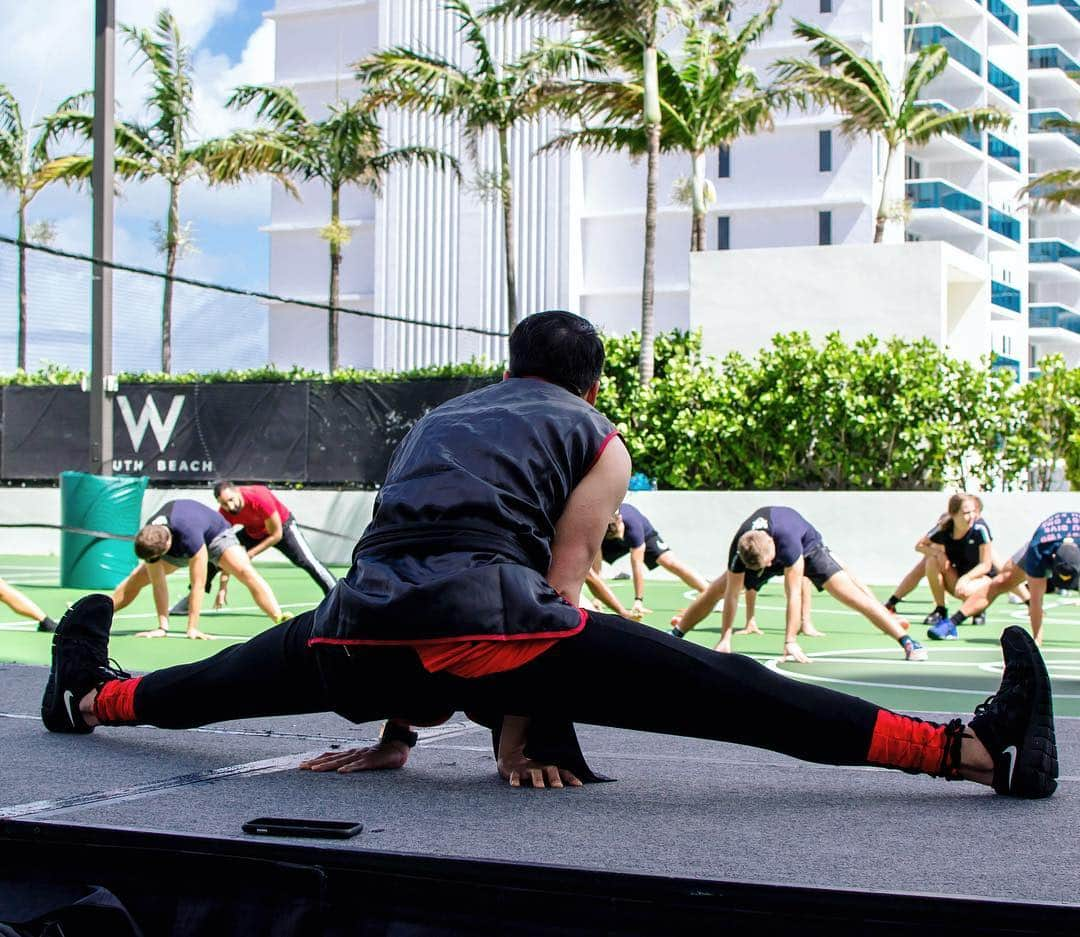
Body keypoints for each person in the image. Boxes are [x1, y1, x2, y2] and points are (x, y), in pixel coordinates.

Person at [43, 311, 1057, 799]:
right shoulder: (595, 435)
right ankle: (972, 749)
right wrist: (522, 745)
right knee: (736, 691)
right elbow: (555, 601)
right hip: (489, 633)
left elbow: (412, 566)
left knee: (216, 682)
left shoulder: (444, 416)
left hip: (357, 633)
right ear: (592, 381)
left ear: (509, 369)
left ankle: (87, 696)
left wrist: (396, 736)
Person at [672, 507, 925, 664]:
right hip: (760, 551)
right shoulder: (742, 547)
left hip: (809, 546)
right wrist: (725, 637)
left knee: (851, 595)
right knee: (716, 589)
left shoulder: (789, 545)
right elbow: (731, 596)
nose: (765, 572)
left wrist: (790, 642)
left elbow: (793, 594)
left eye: (768, 565)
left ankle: (907, 642)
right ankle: (677, 635)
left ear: (773, 552)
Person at [111, 499, 288, 640]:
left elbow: (198, 584)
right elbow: (159, 584)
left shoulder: (189, 534)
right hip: (176, 543)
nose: (155, 561)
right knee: (137, 578)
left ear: (167, 544)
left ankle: (279, 617)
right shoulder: (150, 537)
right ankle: (95, 617)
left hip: (215, 537)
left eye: (157, 557)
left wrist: (192, 628)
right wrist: (162, 627)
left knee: (245, 571)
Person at [170, 482, 337, 615]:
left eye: (230, 500)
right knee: (212, 562)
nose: (229, 506)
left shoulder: (259, 497)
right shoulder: (225, 513)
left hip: (283, 529)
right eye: (223, 504)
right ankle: (190, 600)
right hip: (252, 532)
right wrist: (223, 587)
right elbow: (222, 550)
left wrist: (249, 554)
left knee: (307, 561)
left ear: (237, 492)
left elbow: (276, 534)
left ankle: (338, 597)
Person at [936, 511, 1080, 645]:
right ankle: (952, 623)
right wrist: (1037, 640)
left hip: (1068, 548)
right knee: (1002, 581)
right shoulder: (1038, 551)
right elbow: (1037, 600)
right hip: (1045, 543)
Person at [883, 495, 1027, 629]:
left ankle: (978, 609)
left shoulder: (980, 529)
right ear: (953, 514)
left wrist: (1028, 601)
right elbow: (919, 546)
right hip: (956, 577)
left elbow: (990, 566)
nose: (971, 516)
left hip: (979, 580)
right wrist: (938, 554)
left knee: (966, 590)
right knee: (930, 561)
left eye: (973, 512)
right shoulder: (944, 528)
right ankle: (940, 610)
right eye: (966, 513)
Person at [586, 504, 707, 620]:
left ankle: (708, 593)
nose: (620, 536)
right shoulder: (599, 527)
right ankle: (598, 598)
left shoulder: (634, 526)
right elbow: (596, 567)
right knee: (590, 561)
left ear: (620, 520)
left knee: (669, 561)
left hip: (644, 534)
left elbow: (637, 566)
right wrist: (598, 598)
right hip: (608, 538)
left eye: (619, 532)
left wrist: (638, 601)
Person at [669, 570, 822, 641]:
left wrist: (792, 638)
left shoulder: (793, 549)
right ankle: (685, 620)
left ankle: (806, 622)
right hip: (763, 551)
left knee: (802, 578)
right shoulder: (752, 550)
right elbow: (746, 585)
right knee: (725, 587)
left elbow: (795, 591)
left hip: (781, 552)